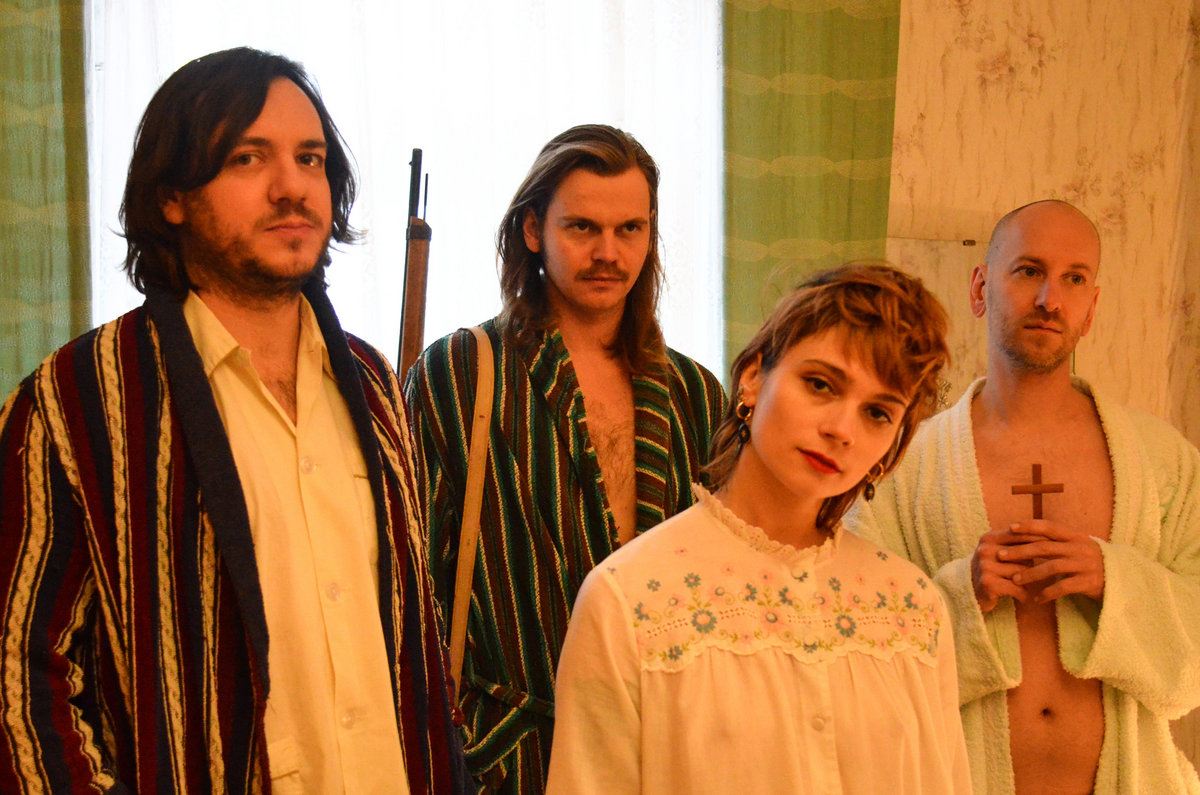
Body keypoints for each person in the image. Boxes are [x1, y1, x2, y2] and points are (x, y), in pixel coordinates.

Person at [0, 47, 469, 793]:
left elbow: (414, 630)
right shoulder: (76, 399)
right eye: (248, 159)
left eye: (310, 159)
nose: (292, 187)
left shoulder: (374, 383)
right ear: (172, 196)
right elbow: (20, 669)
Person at [547, 263, 970, 793]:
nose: (841, 429)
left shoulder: (914, 608)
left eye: (878, 413)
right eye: (820, 384)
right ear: (753, 377)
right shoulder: (628, 601)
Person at [405, 124, 726, 792]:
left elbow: (725, 584)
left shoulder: (695, 394)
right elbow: (410, 585)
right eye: (582, 228)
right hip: (510, 760)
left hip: (662, 754)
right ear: (532, 230)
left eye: (630, 229)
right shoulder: (461, 372)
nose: (609, 252)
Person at [845, 200, 1200, 793]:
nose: (1049, 299)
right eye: (1029, 270)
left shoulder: (1163, 462)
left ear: (1092, 309)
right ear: (980, 288)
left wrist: (1115, 581)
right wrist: (962, 595)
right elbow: (858, 646)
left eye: (1074, 279)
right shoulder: (904, 466)